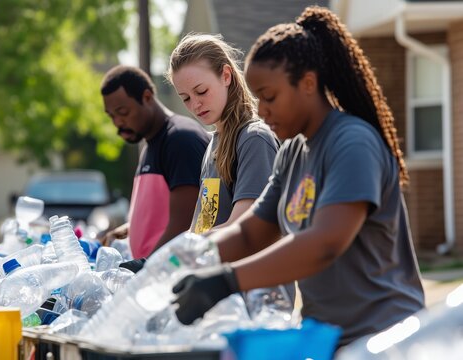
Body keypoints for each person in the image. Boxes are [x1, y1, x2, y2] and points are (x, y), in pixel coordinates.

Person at [170, 6, 425, 348]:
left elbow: (324, 242)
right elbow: (249, 233)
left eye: (270, 97)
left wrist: (228, 280)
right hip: (328, 338)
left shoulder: (352, 142)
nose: (261, 110)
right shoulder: (291, 153)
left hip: (385, 338)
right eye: (258, 98)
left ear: (308, 84)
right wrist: (180, 262)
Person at [167, 33, 295, 302]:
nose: (195, 104)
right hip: (216, 297)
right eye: (185, 98)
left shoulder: (254, 139)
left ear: (226, 75)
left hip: (255, 299)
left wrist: (179, 255)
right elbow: (200, 228)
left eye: (201, 91)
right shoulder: (213, 143)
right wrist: (165, 265)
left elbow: (243, 229)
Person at [98, 65, 210, 260]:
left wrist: (145, 269)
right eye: (111, 116)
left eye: (123, 112)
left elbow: (185, 223)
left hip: (172, 277)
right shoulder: (150, 145)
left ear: (147, 97)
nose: (118, 122)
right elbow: (161, 213)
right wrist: (129, 229)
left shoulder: (180, 138)